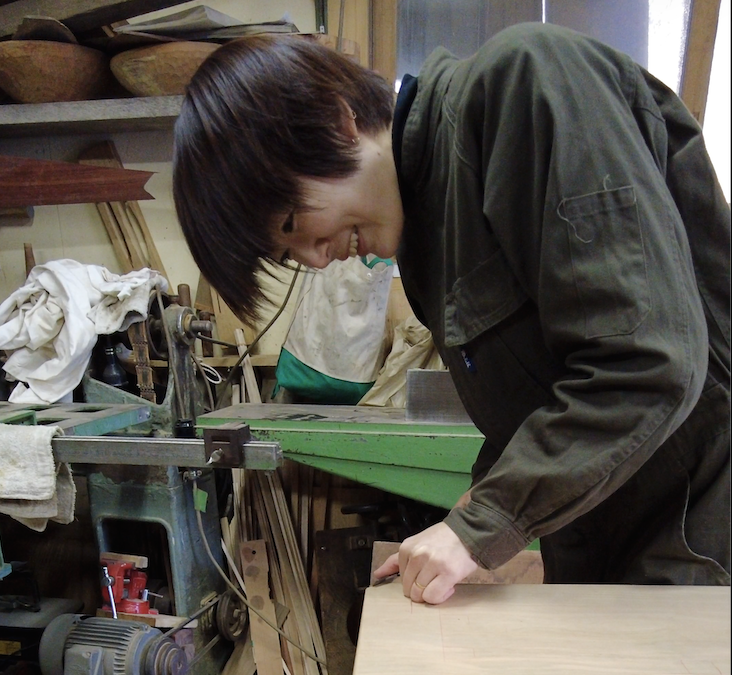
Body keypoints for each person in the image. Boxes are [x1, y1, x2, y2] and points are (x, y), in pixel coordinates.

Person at [172, 22, 730, 604]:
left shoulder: (525, 84)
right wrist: (472, 514)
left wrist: (479, 528)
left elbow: (648, 365)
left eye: (293, 223)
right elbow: (535, 407)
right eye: (289, 253)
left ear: (336, 122)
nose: (314, 259)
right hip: (613, 538)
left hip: (702, 529)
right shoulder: (425, 230)